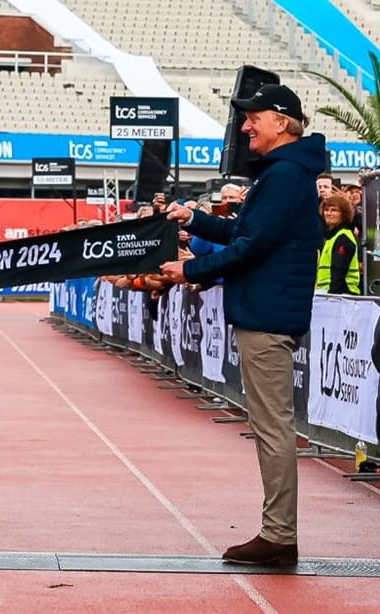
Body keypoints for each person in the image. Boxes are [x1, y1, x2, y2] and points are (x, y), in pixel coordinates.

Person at [159, 83, 325, 566]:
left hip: (268, 316)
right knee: (270, 425)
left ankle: (279, 536)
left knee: (273, 428)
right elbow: (243, 232)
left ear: (281, 120)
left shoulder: (286, 175)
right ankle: (277, 532)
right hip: (266, 311)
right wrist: (196, 218)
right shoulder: (285, 173)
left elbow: (253, 247)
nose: (245, 126)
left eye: (253, 117)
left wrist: (190, 269)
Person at [316, 194, 360, 295]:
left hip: (342, 294)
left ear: (343, 214)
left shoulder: (343, 237)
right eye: (326, 210)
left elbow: (339, 271)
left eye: (334, 210)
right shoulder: (331, 237)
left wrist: (332, 296)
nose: (329, 213)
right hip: (329, 292)